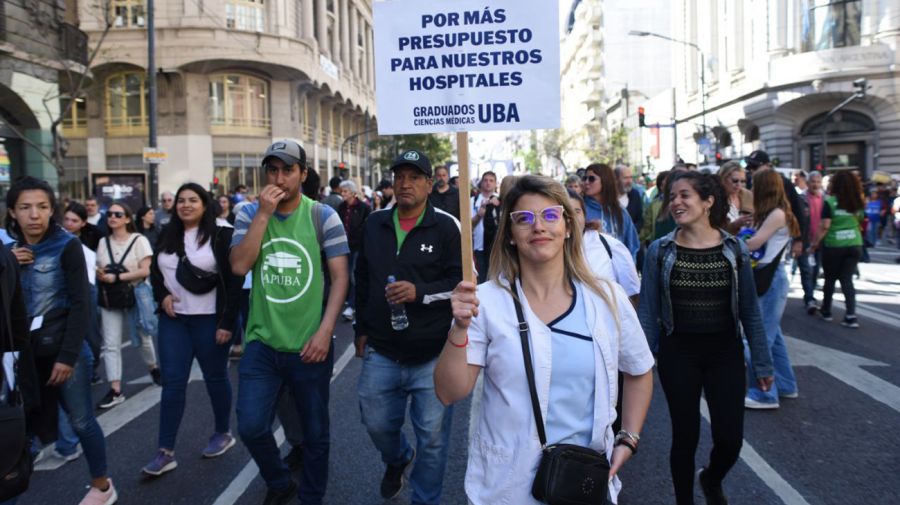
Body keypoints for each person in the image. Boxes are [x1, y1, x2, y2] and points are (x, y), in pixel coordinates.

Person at [434, 175, 654, 505]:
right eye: (524, 219)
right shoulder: (485, 303)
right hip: (507, 485)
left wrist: (629, 437)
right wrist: (460, 329)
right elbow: (449, 392)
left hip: (584, 481)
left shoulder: (606, 298)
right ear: (510, 235)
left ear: (568, 227)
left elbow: (638, 370)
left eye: (550, 215)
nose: (538, 226)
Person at [639, 171, 774, 505]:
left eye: (684, 195)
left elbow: (750, 311)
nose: (676, 202)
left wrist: (761, 362)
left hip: (724, 352)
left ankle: (711, 477)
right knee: (685, 436)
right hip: (678, 352)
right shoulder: (660, 251)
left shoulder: (734, 249)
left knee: (730, 439)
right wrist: (638, 364)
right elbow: (648, 313)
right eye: (672, 197)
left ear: (708, 201)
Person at [230, 139, 349, 505]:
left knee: (315, 432)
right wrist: (264, 214)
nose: (279, 178)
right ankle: (280, 483)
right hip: (262, 343)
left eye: (287, 170)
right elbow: (238, 266)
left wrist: (326, 332)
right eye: (273, 170)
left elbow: (341, 276)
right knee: (251, 424)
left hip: (308, 344)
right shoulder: (250, 214)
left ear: (303, 174)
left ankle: (312, 497)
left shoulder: (322, 215)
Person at [354, 150, 462, 505]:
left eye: (414, 177)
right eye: (399, 176)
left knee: (432, 439)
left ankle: (425, 500)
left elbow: (461, 284)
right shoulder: (374, 223)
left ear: (430, 185)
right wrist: (361, 329)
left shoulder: (447, 227)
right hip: (382, 349)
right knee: (375, 423)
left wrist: (420, 293)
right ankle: (398, 458)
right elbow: (364, 277)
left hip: (432, 353)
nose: (405, 183)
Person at [6, 177, 117, 504]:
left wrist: (67, 357)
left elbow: (82, 306)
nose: (34, 215)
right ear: (12, 212)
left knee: (82, 421)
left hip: (64, 350)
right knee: (18, 428)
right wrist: (8, 264)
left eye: (41, 207)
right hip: (22, 358)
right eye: (25, 208)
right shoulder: (6, 251)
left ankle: (102, 486)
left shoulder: (67, 245)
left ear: (52, 209)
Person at [143, 183, 243, 476]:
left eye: (193, 200)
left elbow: (233, 281)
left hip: (210, 319)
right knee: (172, 384)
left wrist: (227, 322)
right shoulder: (167, 232)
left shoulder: (223, 232)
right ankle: (165, 451)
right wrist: (161, 296)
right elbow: (155, 272)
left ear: (205, 203)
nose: (186, 205)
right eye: (181, 201)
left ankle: (223, 432)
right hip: (174, 321)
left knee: (215, 377)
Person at [743, 170, 800, 409]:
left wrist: (724, 241)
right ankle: (786, 385)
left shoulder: (777, 214)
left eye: (754, 184)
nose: (750, 188)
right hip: (771, 277)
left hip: (771, 278)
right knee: (773, 337)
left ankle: (765, 393)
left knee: (759, 338)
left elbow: (754, 244)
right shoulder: (772, 213)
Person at [95, 202, 160, 409]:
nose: (112, 217)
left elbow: (146, 270)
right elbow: (99, 266)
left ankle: (153, 368)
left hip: (135, 294)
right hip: (110, 296)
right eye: (109, 214)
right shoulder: (103, 242)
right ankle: (115, 389)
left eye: (117, 214)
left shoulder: (138, 240)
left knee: (142, 337)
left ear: (127, 219)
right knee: (111, 343)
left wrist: (118, 277)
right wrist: (101, 274)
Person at [809, 170, 865, 328]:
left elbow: (824, 226)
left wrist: (814, 244)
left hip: (834, 245)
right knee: (847, 280)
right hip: (854, 244)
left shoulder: (830, 202)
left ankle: (826, 311)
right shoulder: (858, 202)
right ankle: (851, 315)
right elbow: (860, 220)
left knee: (830, 278)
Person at [568, 189, 639, 306]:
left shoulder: (610, 246)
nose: (572, 218)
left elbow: (632, 294)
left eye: (577, 211)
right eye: (566, 212)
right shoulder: (550, 251)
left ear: (585, 214)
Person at [583, 163, 640, 260]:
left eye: (591, 179)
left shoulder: (619, 211)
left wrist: (628, 269)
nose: (586, 182)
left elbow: (632, 245)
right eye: (584, 178)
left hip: (617, 271)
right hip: (588, 270)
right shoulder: (579, 209)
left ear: (605, 181)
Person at [338, 180, 371, 322]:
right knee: (345, 275)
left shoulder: (364, 207)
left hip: (358, 247)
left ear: (352, 192)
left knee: (354, 275)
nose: (342, 194)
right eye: (342, 191)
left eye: (345, 191)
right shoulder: (341, 207)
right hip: (343, 247)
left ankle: (352, 305)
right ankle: (351, 302)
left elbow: (367, 227)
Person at [799, 171, 825, 313]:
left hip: (820, 241)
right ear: (808, 183)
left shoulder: (826, 198)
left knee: (815, 270)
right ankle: (809, 298)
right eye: (813, 181)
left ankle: (810, 293)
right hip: (805, 241)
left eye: (818, 182)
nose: (815, 184)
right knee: (806, 270)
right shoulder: (801, 198)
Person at [471, 171, 500, 283]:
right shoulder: (473, 201)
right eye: (485, 180)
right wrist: (479, 215)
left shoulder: (500, 200)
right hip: (479, 247)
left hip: (496, 247)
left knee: (496, 281)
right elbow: (468, 225)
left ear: (495, 183)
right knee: (482, 281)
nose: (488, 183)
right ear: (481, 183)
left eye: (491, 180)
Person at [717, 161, 754, 234]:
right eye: (735, 181)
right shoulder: (715, 199)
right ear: (723, 179)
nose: (739, 184)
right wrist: (735, 225)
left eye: (743, 181)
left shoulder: (748, 195)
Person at [616, 164, 644, 234]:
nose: (629, 181)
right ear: (616, 179)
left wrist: (631, 232)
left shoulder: (635, 195)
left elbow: (639, 220)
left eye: (631, 177)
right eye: (625, 178)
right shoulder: (607, 197)